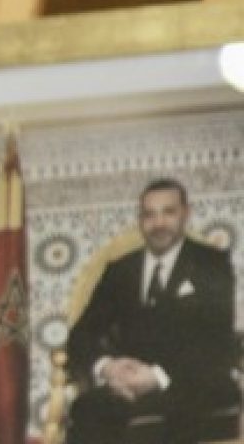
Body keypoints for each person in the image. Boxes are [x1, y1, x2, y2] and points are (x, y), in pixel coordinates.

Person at [66, 178, 239, 444]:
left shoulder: (211, 264)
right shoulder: (120, 271)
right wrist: (108, 368)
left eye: (168, 212)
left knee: (171, 416)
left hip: (191, 384)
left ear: (185, 214)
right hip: (125, 390)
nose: (158, 224)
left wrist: (157, 376)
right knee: (87, 409)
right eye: (149, 215)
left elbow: (215, 340)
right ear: (140, 220)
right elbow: (81, 335)